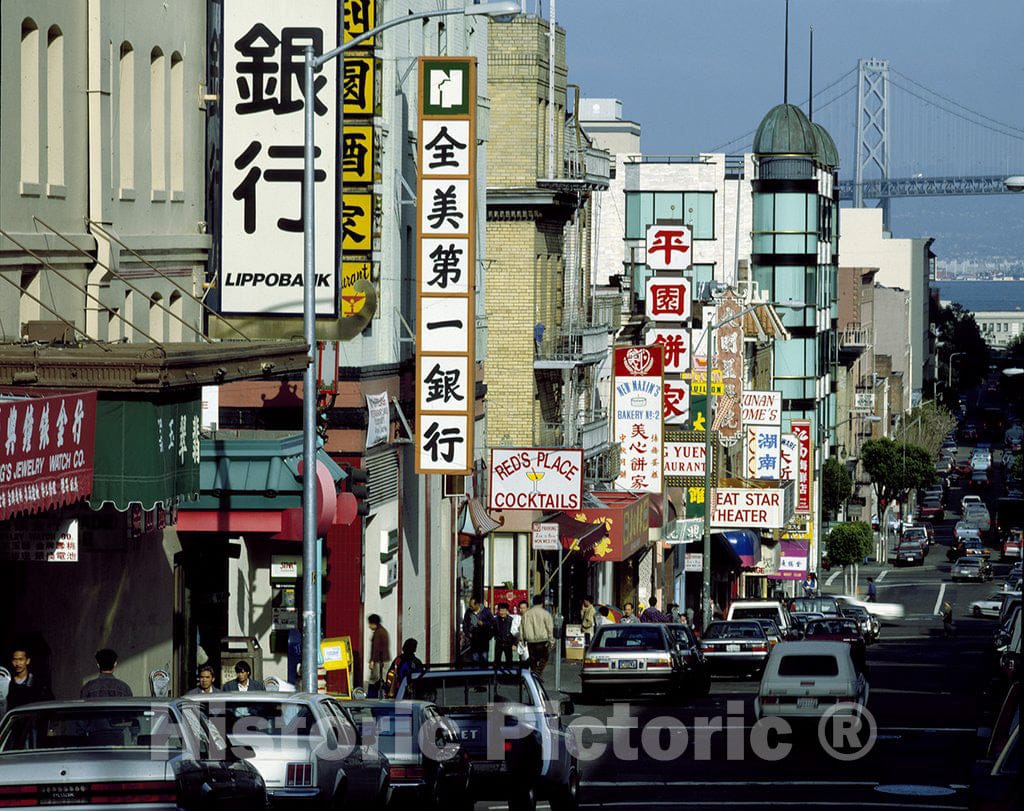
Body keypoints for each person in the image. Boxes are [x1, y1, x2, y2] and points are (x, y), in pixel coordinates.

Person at [520, 595, 554, 678]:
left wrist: (522, 640)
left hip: (530, 641)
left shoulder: (526, 614)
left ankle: (535, 675)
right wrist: (551, 640)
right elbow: (549, 628)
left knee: (533, 660)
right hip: (542, 640)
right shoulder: (546, 614)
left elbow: (522, 628)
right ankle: (538, 673)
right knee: (545, 657)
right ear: (542, 603)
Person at [462, 597, 495, 664]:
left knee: (484, 656)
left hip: (484, 637)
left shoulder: (486, 611)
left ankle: (484, 672)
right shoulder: (468, 612)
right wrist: (468, 633)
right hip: (474, 637)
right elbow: (465, 624)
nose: (470, 607)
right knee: (475, 657)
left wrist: (483, 623)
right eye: (469, 606)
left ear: (477, 605)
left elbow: (493, 622)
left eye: (472, 606)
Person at [367, 614, 391, 697]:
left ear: (374, 623)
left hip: (379, 661)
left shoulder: (378, 633)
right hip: (384, 659)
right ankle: (382, 696)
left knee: (375, 680)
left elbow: (375, 648)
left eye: (370, 624)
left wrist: (372, 661)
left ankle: (372, 697)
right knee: (382, 679)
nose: (369, 626)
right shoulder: (383, 631)